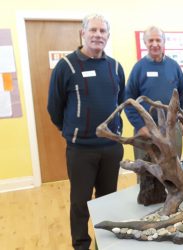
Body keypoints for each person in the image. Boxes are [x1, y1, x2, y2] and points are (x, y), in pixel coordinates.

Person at [47, 14, 125, 249]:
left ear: (108, 37)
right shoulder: (66, 66)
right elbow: (54, 107)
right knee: (80, 202)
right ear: (83, 33)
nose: (98, 35)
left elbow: (120, 102)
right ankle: (81, 244)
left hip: (111, 148)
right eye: (93, 30)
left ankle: (105, 243)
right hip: (81, 150)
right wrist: (71, 130)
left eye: (102, 31)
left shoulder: (115, 67)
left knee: (107, 200)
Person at [124, 26, 183, 160]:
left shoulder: (174, 66)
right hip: (146, 132)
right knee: (146, 173)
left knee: (174, 173)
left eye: (158, 40)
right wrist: (140, 126)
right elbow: (128, 101)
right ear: (145, 43)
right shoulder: (138, 68)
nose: (155, 44)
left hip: (172, 129)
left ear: (164, 42)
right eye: (151, 40)